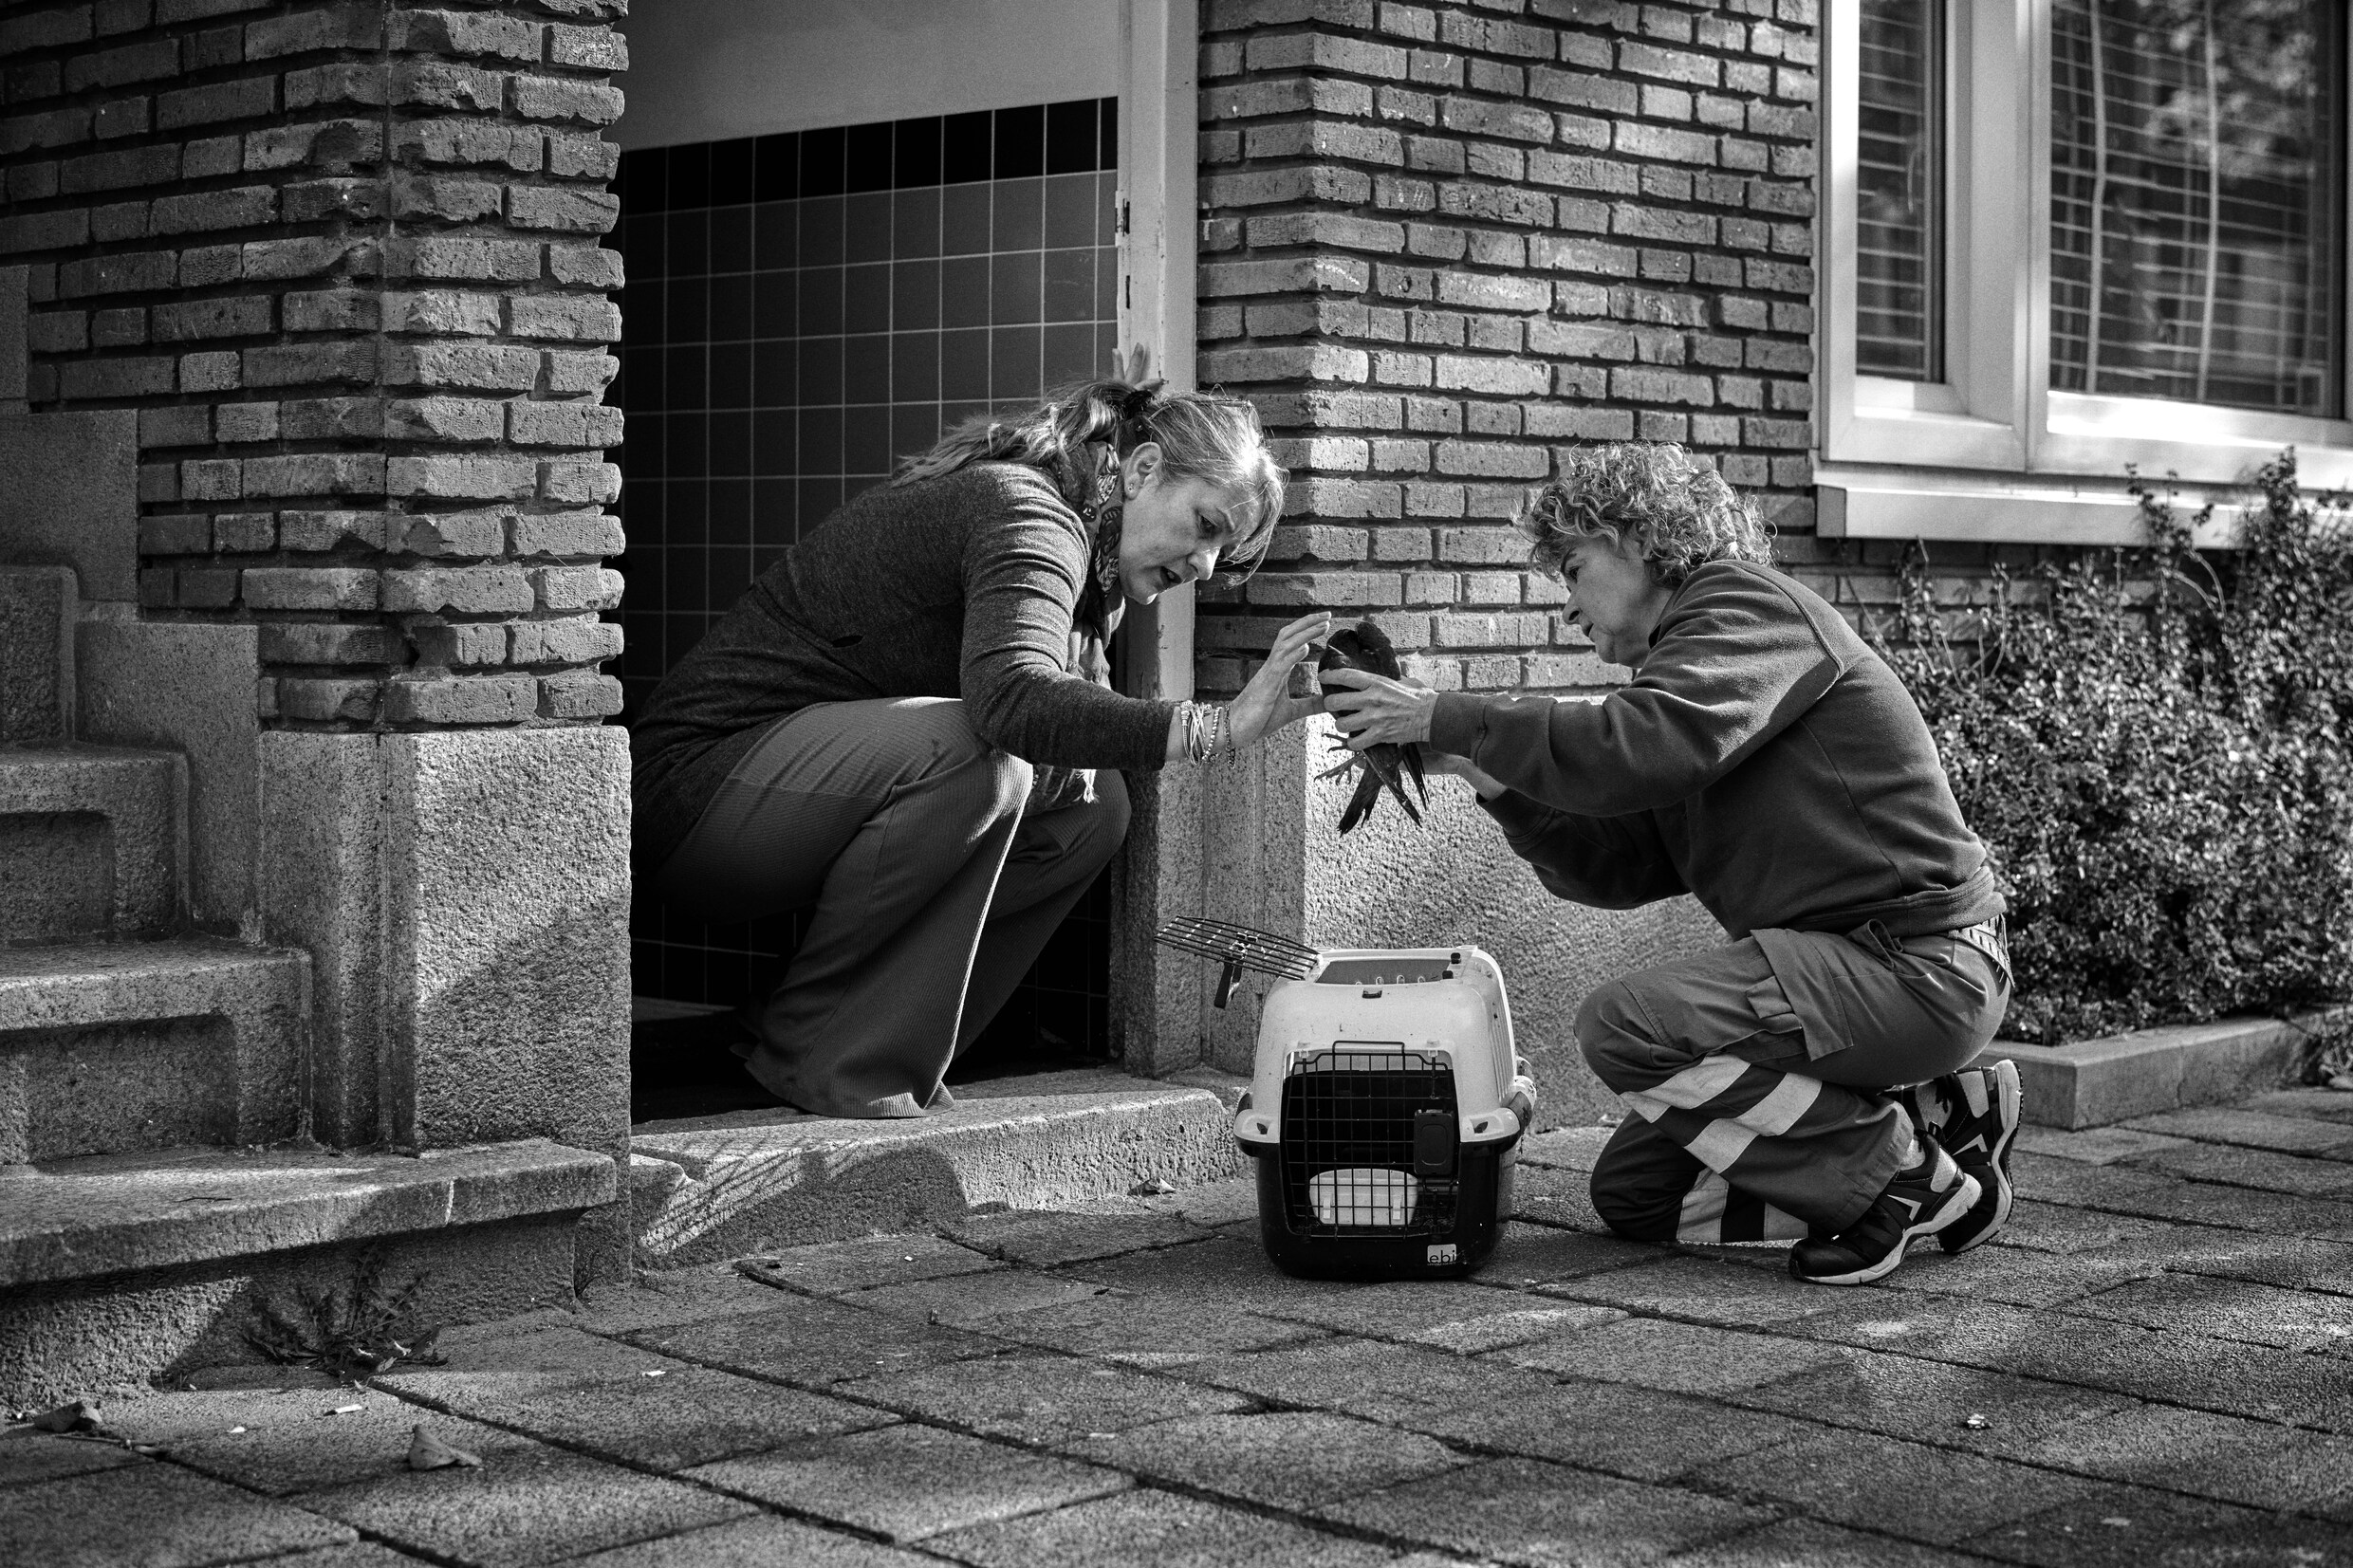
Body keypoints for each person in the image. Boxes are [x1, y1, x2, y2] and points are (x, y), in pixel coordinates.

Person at [1321, 443, 2021, 1286]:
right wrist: (1487, 775)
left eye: (1574, 571)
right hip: (1854, 975)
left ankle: (1900, 1178)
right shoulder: (1688, 671)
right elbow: (1621, 866)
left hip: (1915, 962)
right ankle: (1934, 1120)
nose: (1569, 609)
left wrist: (1448, 714)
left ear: (1638, 537)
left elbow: (1642, 746)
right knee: (1638, 1196)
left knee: (1624, 1027)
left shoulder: (1741, 606)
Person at [632, 378, 1331, 1118]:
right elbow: (1013, 698)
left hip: (791, 802)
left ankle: (846, 1033)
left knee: (1093, 810)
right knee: (976, 750)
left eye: (1222, 548)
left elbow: (1063, 732)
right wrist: (1215, 729)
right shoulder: (1027, 512)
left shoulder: (1097, 561)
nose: (1206, 566)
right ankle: (823, 1055)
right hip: (696, 792)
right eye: (1206, 525)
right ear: (1143, 470)